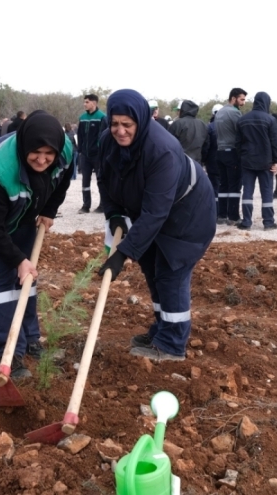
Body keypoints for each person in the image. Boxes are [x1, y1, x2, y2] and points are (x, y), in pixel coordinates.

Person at [0, 110, 74, 379]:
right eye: (35, 153)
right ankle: (9, 353)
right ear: (25, 145)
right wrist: (18, 259)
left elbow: (63, 178)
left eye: (48, 154)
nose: (42, 160)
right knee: (3, 281)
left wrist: (50, 210)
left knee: (27, 279)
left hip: (22, 211)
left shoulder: (64, 149)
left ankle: (30, 340)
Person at [96, 89, 216, 362]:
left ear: (141, 120)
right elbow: (104, 178)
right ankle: (163, 329)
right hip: (151, 211)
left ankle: (173, 344)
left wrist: (122, 254)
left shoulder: (162, 150)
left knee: (170, 272)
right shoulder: (107, 142)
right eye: (115, 123)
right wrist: (114, 214)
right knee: (151, 268)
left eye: (127, 124)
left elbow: (155, 213)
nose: (120, 131)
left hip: (188, 213)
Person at [234, 91, 277, 230]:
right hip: (266, 162)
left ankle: (246, 222)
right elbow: (275, 142)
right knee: (266, 192)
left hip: (247, 161)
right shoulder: (270, 120)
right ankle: (268, 222)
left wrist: (240, 158)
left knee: (247, 191)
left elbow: (238, 143)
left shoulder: (242, 119)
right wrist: (276, 161)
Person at [214, 88, 247, 225]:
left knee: (223, 185)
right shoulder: (235, 113)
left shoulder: (219, 112)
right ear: (233, 98)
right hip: (232, 152)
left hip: (219, 152)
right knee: (234, 185)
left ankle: (221, 215)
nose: (243, 103)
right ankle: (233, 217)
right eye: (241, 99)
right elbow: (241, 133)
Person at [76, 94, 108, 213]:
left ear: (94, 103)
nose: (84, 104)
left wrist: (101, 151)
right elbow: (80, 135)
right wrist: (80, 150)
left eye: (87, 102)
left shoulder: (102, 117)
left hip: (98, 156)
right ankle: (86, 205)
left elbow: (104, 136)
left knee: (101, 180)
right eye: (84, 102)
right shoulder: (82, 117)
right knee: (85, 180)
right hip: (85, 155)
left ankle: (103, 205)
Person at [203, 104, 222, 202]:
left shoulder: (209, 127)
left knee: (214, 187)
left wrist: (204, 160)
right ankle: (225, 211)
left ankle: (215, 211)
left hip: (212, 162)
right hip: (226, 161)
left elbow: (206, 145)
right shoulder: (230, 126)